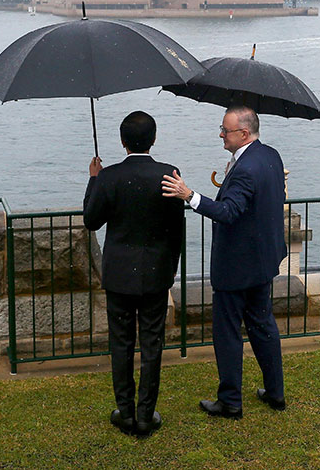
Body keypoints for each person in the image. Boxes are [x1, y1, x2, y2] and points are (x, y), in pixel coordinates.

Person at [161, 106, 286, 419]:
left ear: (243, 133)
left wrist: (189, 195)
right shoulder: (270, 156)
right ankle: (275, 393)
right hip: (263, 260)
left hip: (237, 266)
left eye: (225, 130)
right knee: (262, 325)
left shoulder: (245, 168)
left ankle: (230, 402)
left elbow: (229, 212)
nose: (220, 134)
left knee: (228, 332)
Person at [83, 111, 185, 437]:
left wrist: (95, 179)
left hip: (119, 275)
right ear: (153, 140)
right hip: (156, 273)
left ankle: (125, 412)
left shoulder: (110, 177)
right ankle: (146, 414)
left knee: (122, 343)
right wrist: (171, 267)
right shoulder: (169, 174)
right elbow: (176, 228)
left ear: (122, 141)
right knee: (152, 343)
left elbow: (91, 220)